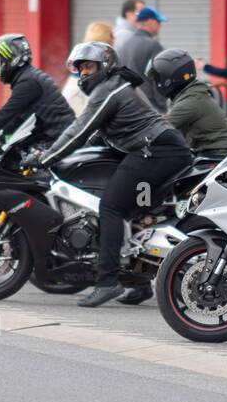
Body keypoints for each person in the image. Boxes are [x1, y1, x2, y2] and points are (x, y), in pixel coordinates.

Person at [26, 41, 193, 308]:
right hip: (160, 148)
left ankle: (107, 282)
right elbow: (93, 133)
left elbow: (79, 130)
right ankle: (137, 283)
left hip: (157, 150)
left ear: (105, 66)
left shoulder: (110, 89)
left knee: (112, 207)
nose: (83, 74)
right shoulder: (116, 86)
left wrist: (46, 158)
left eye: (89, 67)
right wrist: (53, 149)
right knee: (132, 211)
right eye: (80, 69)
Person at [0, 33, 75, 146]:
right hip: (55, 135)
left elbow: (5, 114)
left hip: (60, 138)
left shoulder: (28, 82)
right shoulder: (28, 77)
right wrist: (3, 134)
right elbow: (21, 116)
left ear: (10, 58)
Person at [148, 48, 227, 157]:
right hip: (214, 150)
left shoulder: (190, 101)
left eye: (158, 79)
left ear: (170, 78)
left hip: (221, 153)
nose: (157, 83)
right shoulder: (190, 94)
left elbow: (159, 130)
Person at [117, 5, 168, 111]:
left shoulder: (125, 45)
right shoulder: (153, 45)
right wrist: (162, 109)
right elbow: (158, 78)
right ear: (150, 21)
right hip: (149, 106)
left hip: (127, 105)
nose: (160, 26)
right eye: (159, 22)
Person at [62, 20, 114, 115]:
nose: (114, 39)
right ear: (104, 37)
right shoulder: (92, 62)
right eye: (111, 35)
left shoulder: (100, 59)